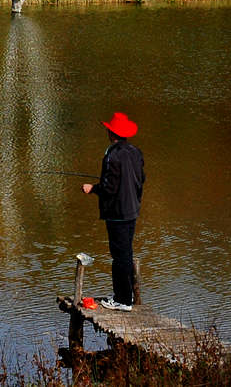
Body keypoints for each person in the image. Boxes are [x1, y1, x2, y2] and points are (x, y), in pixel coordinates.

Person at [81, 111, 145, 312]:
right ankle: (126, 297)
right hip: (132, 210)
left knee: (119, 256)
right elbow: (140, 180)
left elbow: (109, 187)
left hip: (117, 213)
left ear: (111, 133)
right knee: (126, 253)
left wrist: (93, 188)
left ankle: (123, 300)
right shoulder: (136, 152)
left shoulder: (111, 155)